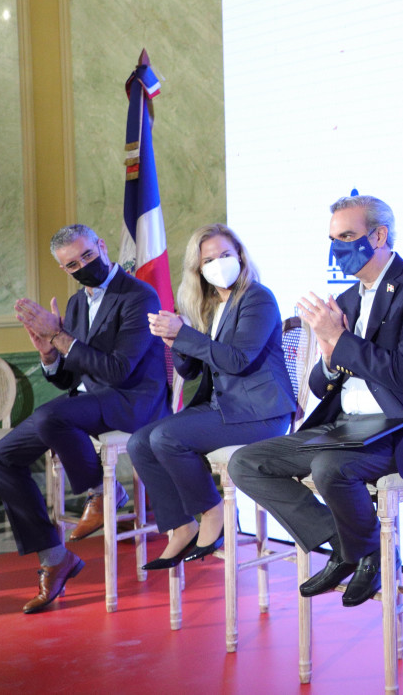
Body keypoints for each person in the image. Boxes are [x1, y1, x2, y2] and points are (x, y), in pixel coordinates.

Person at [228, 194, 403, 607]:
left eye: (346, 237)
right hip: (346, 429)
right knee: (246, 462)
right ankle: (351, 545)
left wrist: (340, 339)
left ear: (379, 236)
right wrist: (327, 355)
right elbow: (321, 386)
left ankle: (362, 552)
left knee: (329, 467)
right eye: (333, 239)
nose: (337, 249)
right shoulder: (348, 301)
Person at [0, 223, 169, 613]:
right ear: (63, 269)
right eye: (72, 264)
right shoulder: (76, 304)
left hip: (131, 401)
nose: (83, 266)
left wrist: (60, 337)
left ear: (101, 246)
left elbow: (118, 370)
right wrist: (48, 353)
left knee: (51, 417)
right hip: (85, 403)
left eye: (87, 255)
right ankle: (55, 559)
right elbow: (69, 376)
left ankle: (104, 492)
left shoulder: (139, 295)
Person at [127, 224, 295, 570]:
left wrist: (186, 336)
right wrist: (176, 341)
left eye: (225, 255)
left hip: (260, 413)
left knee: (166, 437)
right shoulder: (211, 305)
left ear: (240, 257)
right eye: (209, 259)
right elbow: (191, 372)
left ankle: (213, 511)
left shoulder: (257, 298)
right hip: (224, 408)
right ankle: (181, 525)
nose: (219, 264)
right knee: (140, 442)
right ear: (199, 269)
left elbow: (238, 359)